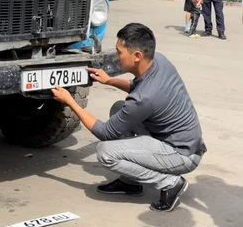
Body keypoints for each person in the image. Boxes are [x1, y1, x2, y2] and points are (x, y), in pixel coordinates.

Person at [52, 23, 207, 213]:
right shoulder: (159, 61)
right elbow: (140, 90)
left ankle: (170, 183)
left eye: (119, 52)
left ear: (137, 56)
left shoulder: (144, 99)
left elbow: (105, 132)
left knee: (105, 152)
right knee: (118, 108)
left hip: (182, 155)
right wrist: (110, 80)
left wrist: (70, 101)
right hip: (182, 140)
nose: (117, 58)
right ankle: (130, 182)